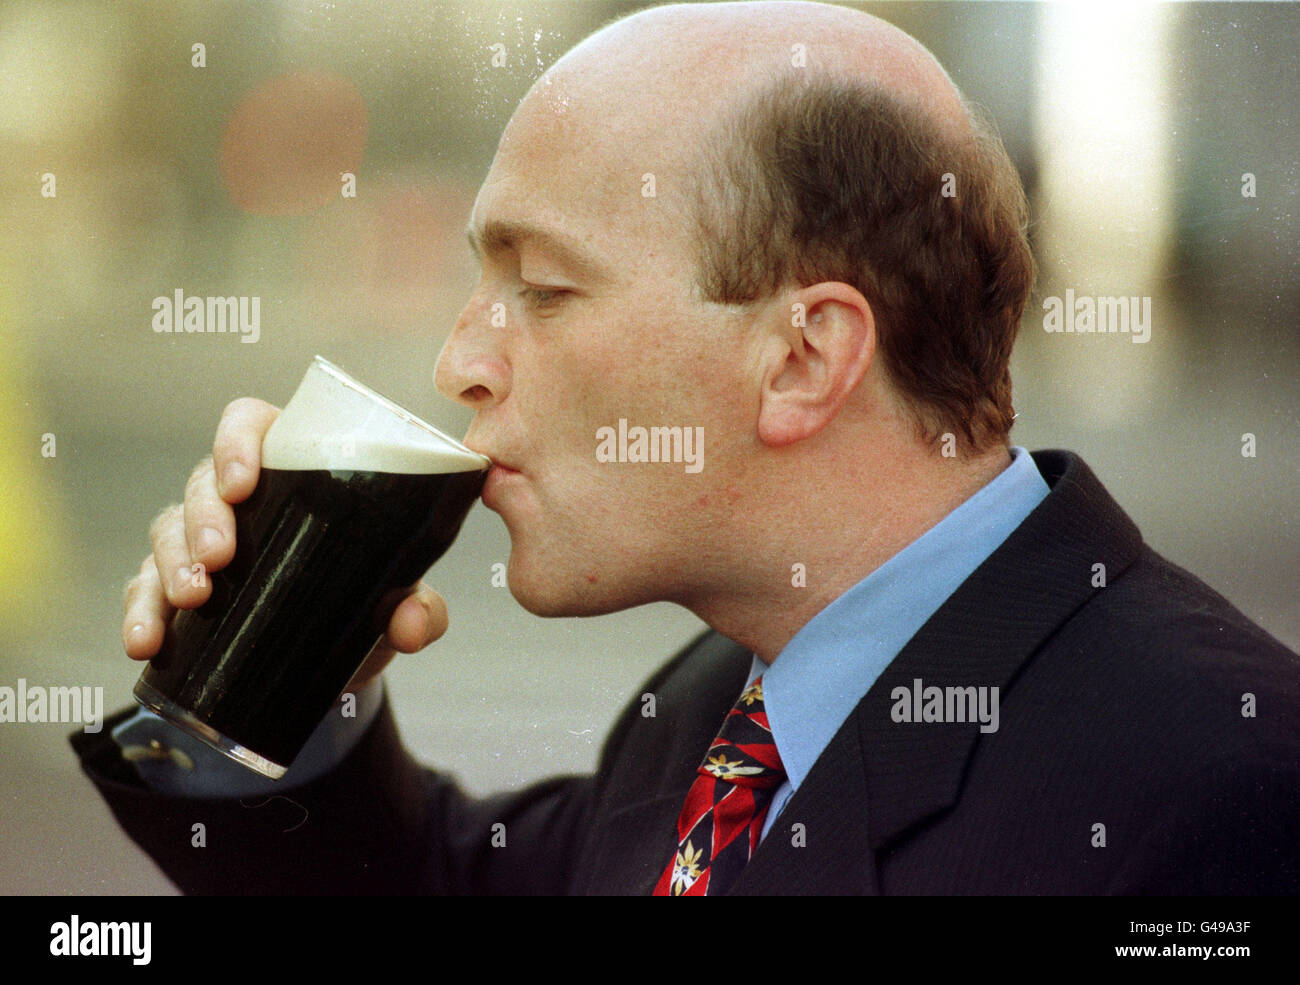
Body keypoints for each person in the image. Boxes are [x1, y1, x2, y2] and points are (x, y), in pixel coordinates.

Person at [75, 0, 1299, 894]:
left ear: (803, 358)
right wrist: (277, 674)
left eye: (543, 289)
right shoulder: (728, 702)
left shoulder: (1223, 795)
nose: (460, 361)